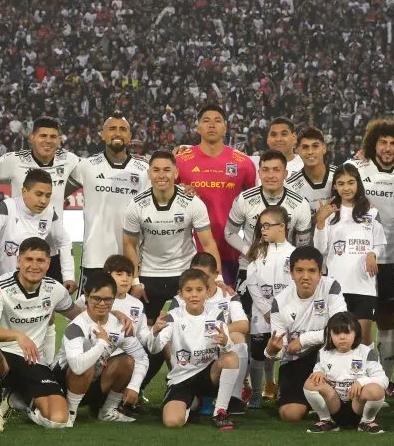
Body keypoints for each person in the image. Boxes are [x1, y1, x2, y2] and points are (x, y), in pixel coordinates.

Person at [0, 238, 114, 432]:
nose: (34, 265)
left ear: (48, 263)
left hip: (34, 361)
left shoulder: (55, 289)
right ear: (19, 261)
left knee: (58, 421)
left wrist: (113, 313)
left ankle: (18, 401)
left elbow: (76, 314)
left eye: (40, 260)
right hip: (4, 359)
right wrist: (18, 336)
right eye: (28, 259)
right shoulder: (0, 286)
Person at [0, 168, 77, 364]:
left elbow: (64, 242)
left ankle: (45, 366)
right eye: (38, 194)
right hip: (2, 285)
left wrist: (69, 275)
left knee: (48, 320)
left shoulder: (49, 212)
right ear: (24, 191)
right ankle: (3, 378)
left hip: (33, 283)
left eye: (47, 195)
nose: (43, 200)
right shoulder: (7, 208)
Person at [351, 118, 394, 389]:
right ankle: (361, 378)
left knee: (388, 320)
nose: (388, 148)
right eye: (383, 142)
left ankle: (388, 380)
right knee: (361, 322)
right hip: (363, 257)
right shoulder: (356, 167)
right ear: (372, 144)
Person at [0, 116, 82, 297]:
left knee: (49, 310)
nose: (48, 141)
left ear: (60, 140)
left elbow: (95, 171)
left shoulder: (70, 160)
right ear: (32, 138)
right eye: (43, 135)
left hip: (51, 253)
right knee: (10, 303)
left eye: (53, 137)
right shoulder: (13, 160)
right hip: (16, 252)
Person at [122, 150, 220, 323]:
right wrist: (135, 281)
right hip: (149, 274)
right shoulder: (136, 205)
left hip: (184, 272)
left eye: (167, 170)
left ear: (176, 173)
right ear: (149, 173)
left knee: (188, 324)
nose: (161, 175)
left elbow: (208, 243)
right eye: (156, 170)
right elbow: (129, 244)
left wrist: (217, 278)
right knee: (147, 328)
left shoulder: (192, 203)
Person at [150, 268, 241, 431]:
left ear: (207, 291)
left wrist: (226, 341)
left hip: (208, 374)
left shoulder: (216, 314)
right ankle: (192, 403)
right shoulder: (173, 316)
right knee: (172, 422)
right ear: (180, 293)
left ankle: (220, 412)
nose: (194, 294)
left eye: (199, 290)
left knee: (231, 357)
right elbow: (155, 348)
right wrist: (155, 332)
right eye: (188, 290)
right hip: (182, 378)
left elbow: (228, 348)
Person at [176, 104, 258, 286]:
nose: (211, 125)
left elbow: (255, 206)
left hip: (233, 251)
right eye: (206, 121)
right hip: (189, 252)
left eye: (217, 121)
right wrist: (180, 191)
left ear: (225, 127)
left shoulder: (243, 163)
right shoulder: (180, 161)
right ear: (198, 127)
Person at [54, 271, 150, 425]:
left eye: (107, 299)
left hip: (95, 382)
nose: (102, 303)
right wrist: (102, 343)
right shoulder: (76, 326)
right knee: (87, 364)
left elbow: (141, 357)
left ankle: (108, 411)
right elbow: (78, 367)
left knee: (127, 361)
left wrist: (134, 386)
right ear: (86, 297)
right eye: (96, 298)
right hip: (64, 384)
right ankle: (70, 414)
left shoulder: (120, 325)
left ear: (113, 299)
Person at [265, 246, 348, 422]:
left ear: (320, 272)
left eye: (312, 271)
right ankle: (312, 403)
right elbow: (281, 351)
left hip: (328, 355)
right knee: (290, 415)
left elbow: (341, 329)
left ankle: (325, 401)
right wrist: (272, 351)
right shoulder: (279, 302)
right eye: (299, 270)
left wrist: (303, 339)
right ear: (291, 272)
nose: (305, 276)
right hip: (296, 362)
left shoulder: (331, 287)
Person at [68, 114, 150, 291]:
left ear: (129, 136)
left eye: (123, 129)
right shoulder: (86, 166)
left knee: (130, 314)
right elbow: (58, 194)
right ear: (102, 134)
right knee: (88, 315)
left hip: (132, 260)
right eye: (112, 129)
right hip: (95, 258)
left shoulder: (144, 170)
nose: (117, 133)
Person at [168, 252, 251, 415]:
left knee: (238, 338)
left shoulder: (228, 296)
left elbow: (243, 324)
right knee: (167, 339)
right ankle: (178, 382)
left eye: (204, 275)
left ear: (215, 274)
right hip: (188, 354)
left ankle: (233, 397)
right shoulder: (180, 298)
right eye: (194, 273)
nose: (198, 278)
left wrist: (211, 332)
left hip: (218, 350)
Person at [225, 150, 313, 303]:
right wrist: (249, 251)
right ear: (259, 173)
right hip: (250, 267)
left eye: (276, 170)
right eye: (265, 170)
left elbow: (302, 246)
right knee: (245, 318)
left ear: (285, 173)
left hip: (284, 270)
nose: (270, 175)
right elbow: (229, 233)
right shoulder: (244, 199)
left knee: (285, 319)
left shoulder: (300, 204)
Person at [313, 163, 385, 342]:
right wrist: (320, 223)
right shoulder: (329, 213)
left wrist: (372, 254)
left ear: (358, 184)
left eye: (351, 182)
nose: (346, 188)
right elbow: (320, 249)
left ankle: (370, 370)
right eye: (341, 183)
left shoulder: (372, 211)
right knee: (339, 341)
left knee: (364, 341)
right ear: (335, 186)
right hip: (337, 287)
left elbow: (381, 244)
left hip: (364, 287)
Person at [303, 311, 389, 434]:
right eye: (336, 333)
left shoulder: (367, 352)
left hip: (357, 405)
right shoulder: (324, 352)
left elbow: (383, 379)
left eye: (347, 332)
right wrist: (319, 373)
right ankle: (327, 420)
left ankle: (366, 421)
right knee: (311, 382)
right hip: (334, 404)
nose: (342, 337)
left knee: (376, 390)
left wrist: (362, 381)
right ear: (330, 335)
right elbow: (318, 369)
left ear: (356, 333)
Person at [245, 206, 296, 408]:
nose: (263, 230)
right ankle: (257, 393)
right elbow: (251, 283)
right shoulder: (258, 252)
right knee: (258, 354)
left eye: (267, 225)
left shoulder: (294, 253)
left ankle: (282, 390)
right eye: (261, 226)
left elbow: (295, 285)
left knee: (284, 353)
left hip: (285, 314)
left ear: (282, 226)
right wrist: (265, 309)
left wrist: (278, 312)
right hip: (261, 314)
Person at [285, 127, 337, 210]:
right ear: (297, 150)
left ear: (324, 148)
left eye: (315, 146)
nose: (310, 152)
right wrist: (317, 219)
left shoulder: (340, 176)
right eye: (305, 147)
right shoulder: (290, 186)